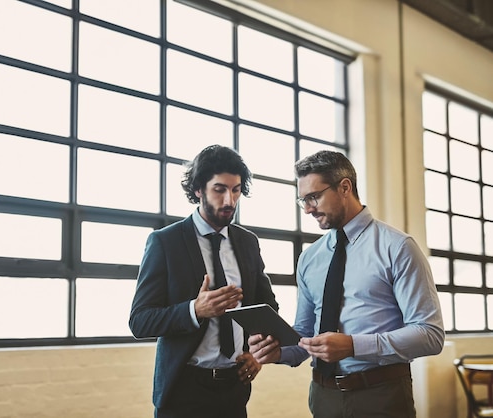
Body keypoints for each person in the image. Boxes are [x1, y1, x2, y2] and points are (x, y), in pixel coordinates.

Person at [248, 150, 445, 418]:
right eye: (302, 200)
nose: (307, 209)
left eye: (313, 197)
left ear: (344, 187)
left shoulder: (398, 247)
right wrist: (278, 352)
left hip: (381, 396)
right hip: (322, 396)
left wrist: (354, 345)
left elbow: (430, 335)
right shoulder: (309, 258)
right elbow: (306, 333)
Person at [129, 145, 279, 418]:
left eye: (236, 190)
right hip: (182, 391)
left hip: (234, 389)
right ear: (198, 189)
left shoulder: (247, 243)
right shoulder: (166, 242)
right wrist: (194, 310)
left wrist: (256, 353)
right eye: (219, 189)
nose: (229, 200)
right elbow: (140, 321)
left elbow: (267, 309)